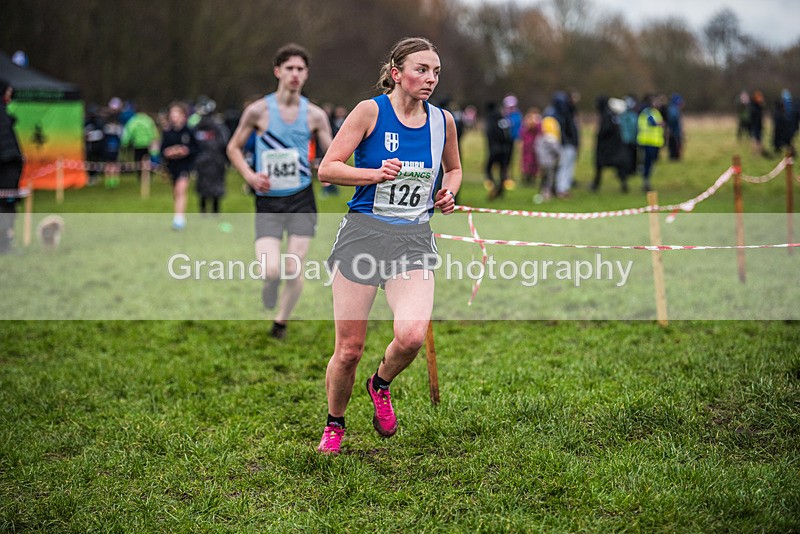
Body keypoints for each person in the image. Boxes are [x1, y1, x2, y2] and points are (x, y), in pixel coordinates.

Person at [316, 37, 461, 455]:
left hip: (413, 238)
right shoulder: (370, 111)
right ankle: (335, 424)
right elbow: (328, 168)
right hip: (364, 234)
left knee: (412, 336)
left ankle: (380, 384)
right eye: (421, 69)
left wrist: (447, 193)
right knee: (348, 350)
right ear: (396, 73)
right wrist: (373, 174)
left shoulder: (443, 122)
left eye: (435, 71)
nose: (430, 78)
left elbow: (453, 169)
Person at [226, 43, 333, 340]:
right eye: (290, 69)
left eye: (300, 69)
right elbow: (233, 147)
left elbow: (334, 152)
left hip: (301, 198)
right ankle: (269, 285)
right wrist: (249, 175)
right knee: (271, 269)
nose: (295, 74)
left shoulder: (315, 115)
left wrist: (326, 170)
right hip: (268, 201)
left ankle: (280, 323)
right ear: (278, 71)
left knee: (293, 269)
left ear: (307, 74)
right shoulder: (258, 111)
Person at [160, 101, 198, 230]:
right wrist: (168, 152)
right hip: (172, 166)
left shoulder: (189, 131)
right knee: (175, 191)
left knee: (181, 189)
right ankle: (178, 214)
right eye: (172, 114)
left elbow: (196, 148)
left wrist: (186, 151)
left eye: (177, 114)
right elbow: (162, 149)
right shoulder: (168, 132)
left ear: (183, 115)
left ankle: (179, 219)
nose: (174, 116)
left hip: (185, 165)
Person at [193, 99, 229, 214]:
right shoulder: (218, 127)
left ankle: (205, 210)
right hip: (213, 161)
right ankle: (214, 211)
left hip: (208, 161)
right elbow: (224, 143)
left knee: (206, 186)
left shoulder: (198, 127)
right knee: (212, 186)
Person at [0, 81, 24, 253]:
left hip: (9, 171)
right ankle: (4, 243)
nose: (10, 97)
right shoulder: (2, 117)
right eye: (8, 93)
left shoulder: (4, 115)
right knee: (6, 206)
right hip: (6, 172)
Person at [591, 96, 627, 193]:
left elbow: (605, 131)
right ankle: (623, 184)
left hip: (607, 147)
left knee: (601, 166)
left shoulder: (607, 116)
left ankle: (596, 185)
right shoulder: (612, 115)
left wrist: (599, 137)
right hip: (614, 146)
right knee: (616, 166)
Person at [121, 107, 160, 181]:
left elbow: (128, 132)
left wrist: (125, 143)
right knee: (147, 160)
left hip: (137, 144)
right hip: (148, 144)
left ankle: (140, 176)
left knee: (138, 161)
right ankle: (147, 175)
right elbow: (153, 131)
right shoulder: (148, 120)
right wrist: (154, 140)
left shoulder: (133, 120)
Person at [483, 100, 512, 199]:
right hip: (505, 149)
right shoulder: (503, 119)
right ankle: (500, 190)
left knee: (488, 169)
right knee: (502, 170)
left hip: (494, 149)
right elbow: (508, 135)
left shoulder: (490, 120)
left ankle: (494, 186)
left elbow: (490, 135)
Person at [637, 94, 665, 193]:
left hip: (654, 142)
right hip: (647, 141)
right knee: (647, 163)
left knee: (651, 162)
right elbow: (652, 123)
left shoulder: (655, 112)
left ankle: (645, 176)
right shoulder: (648, 112)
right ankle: (645, 180)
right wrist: (660, 124)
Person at [520, 107, 541, 187]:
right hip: (527, 146)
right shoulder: (526, 124)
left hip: (535, 145)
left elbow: (540, 131)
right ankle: (526, 177)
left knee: (534, 163)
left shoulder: (538, 123)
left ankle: (532, 178)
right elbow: (523, 133)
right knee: (526, 162)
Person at [666, 93, 684, 161]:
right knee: (675, 146)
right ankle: (674, 159)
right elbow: (673, 120)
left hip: (674, 131)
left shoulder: (672, 109)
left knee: (673, 146)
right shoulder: (673, 109)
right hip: (675, 132)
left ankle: (674, 158)